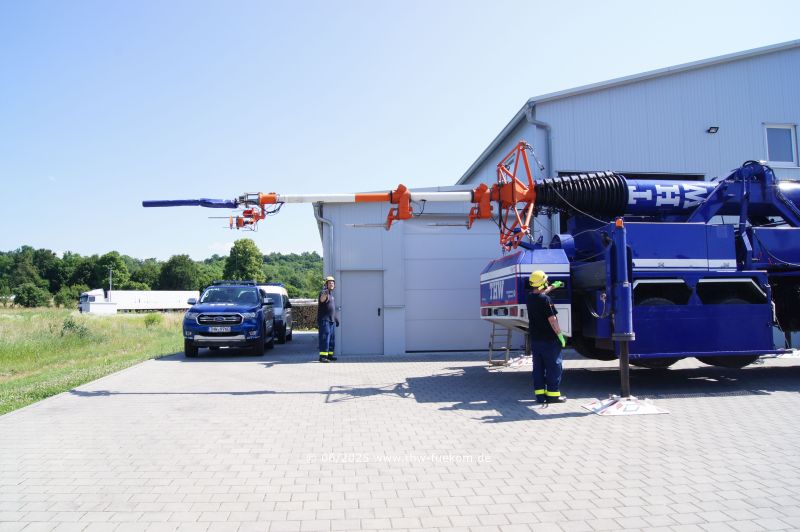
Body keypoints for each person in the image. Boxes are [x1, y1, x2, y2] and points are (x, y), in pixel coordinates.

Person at [526, 270, 567, 404]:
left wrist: (553, 286)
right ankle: (554, 395)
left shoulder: (530, 298)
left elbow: (541, 294)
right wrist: (560, 334)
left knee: (538, 368)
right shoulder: (546, 300)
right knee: (554, 367)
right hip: (549, 340)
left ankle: (540, 396)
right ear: (543, 282)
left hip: (536, 340)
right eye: (546, 281)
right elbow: (552, 319)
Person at [317, 275, 339, 362]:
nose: (332, 284)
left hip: (331, 321)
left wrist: (336, 319)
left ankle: (329, 355)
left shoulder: (331, 295)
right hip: (324, 321)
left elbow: (332, 309)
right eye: (330, 283)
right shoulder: (324, 293)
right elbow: (322, 300)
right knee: (324, 338)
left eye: (333, 283)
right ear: (326, 284)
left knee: (331, 339)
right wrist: (325, 291)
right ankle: (322, 357)